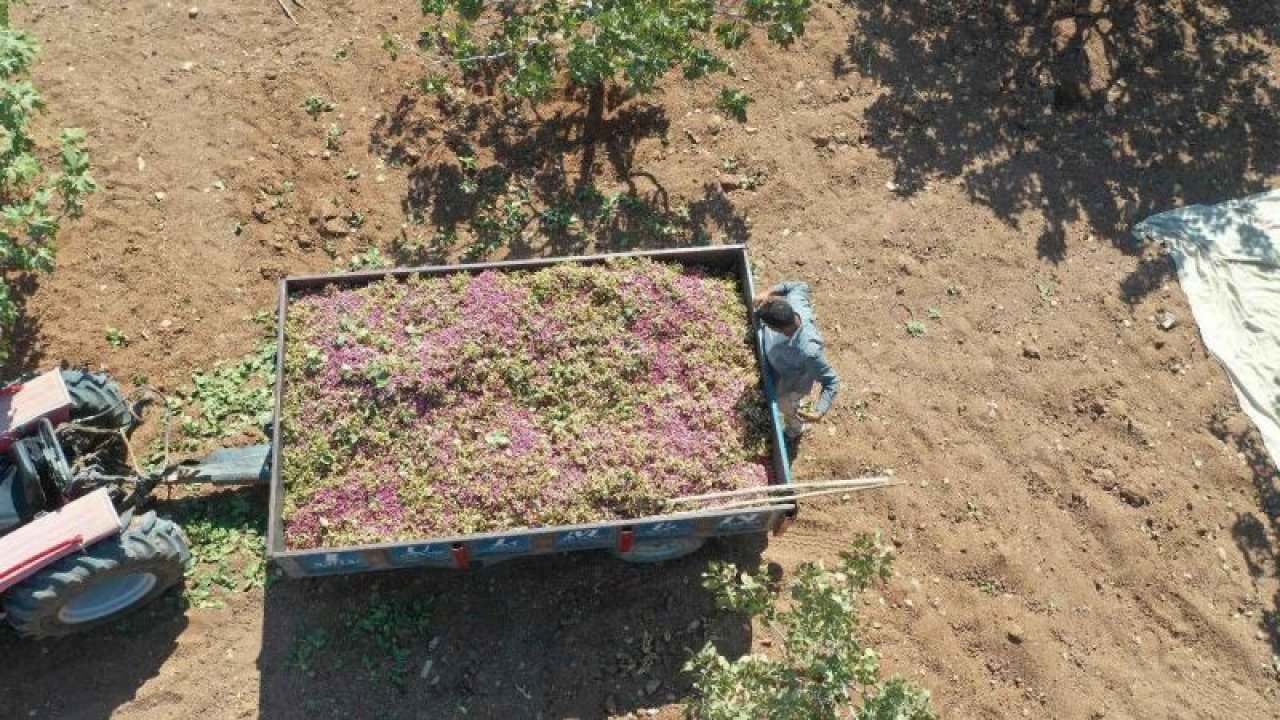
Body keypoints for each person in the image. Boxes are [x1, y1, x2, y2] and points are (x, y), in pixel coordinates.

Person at [753, 281, 841, 442]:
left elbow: (832, 381)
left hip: (793, 379)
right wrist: (769, 292)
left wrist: (819, 411)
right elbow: (799, 285)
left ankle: (795, 430)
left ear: (776, 329)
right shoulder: (795, 302)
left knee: (785, 404)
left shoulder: (809, 352)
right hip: (779, 362)